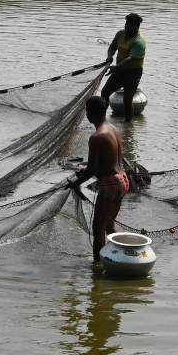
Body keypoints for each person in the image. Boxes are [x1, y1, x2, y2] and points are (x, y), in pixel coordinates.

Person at [68, 96, 129, 262]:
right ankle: (126, 255)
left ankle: (98, 267)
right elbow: (107, 163)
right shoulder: (113, 129)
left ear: (90, 113)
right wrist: (86, 169)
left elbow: (93, 170)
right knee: (109, 225)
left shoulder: (96, 137)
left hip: (110, 183)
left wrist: (75, 183)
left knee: (98, 228)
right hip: (122, 180)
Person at [102, 13, 145, 122]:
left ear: (136, 26)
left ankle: (128, 126)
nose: (126, 26)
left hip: (133, 73)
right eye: (126, 23)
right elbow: (112, 47)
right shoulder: (120, 34)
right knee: (105, 92)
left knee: (127, 99)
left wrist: (115, 67)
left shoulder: (139, 41)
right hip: (119, 70)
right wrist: (110, 56)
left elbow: (131, 59)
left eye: (130, 24)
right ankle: (102, 120)